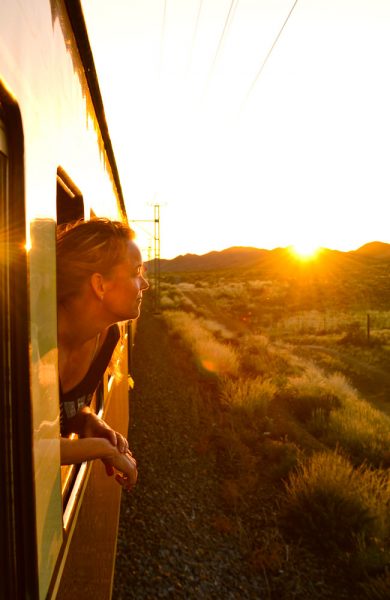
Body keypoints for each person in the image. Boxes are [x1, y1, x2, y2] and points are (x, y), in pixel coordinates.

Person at [56, 217, 149, 491]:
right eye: (135, 272)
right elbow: (24, 447)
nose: (144, 284)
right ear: (100, 285)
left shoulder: (107, 337)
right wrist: (103, 450)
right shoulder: (31, 342)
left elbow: (62, 413)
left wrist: (90, 422)